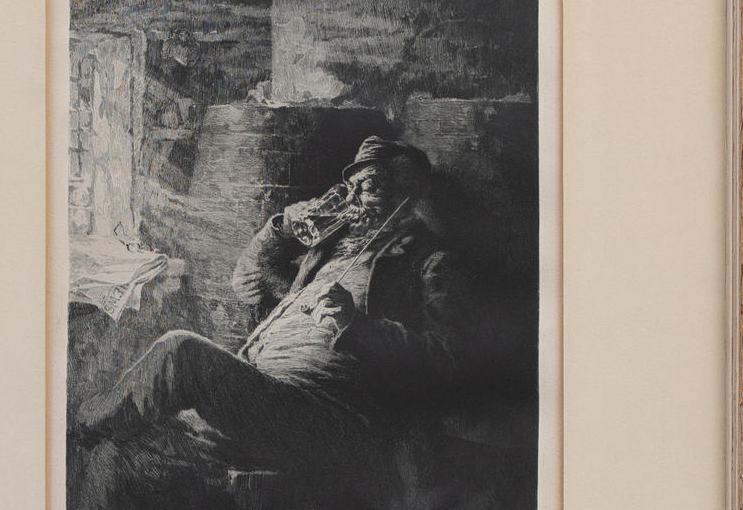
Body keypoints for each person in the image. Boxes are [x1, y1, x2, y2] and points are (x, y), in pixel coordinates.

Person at [75, 136, 467, 486]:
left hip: (331, 413)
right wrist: (280, 228)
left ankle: (75, 429)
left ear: (406, 196)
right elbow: (245, 281)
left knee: (181, 351)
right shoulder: (327, 250)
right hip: (268, 395)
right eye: (350, 186)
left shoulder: (428, 262)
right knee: (115, 458)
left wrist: (358, 324)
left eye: (368, 186)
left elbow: (448, 361)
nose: (351, 199)